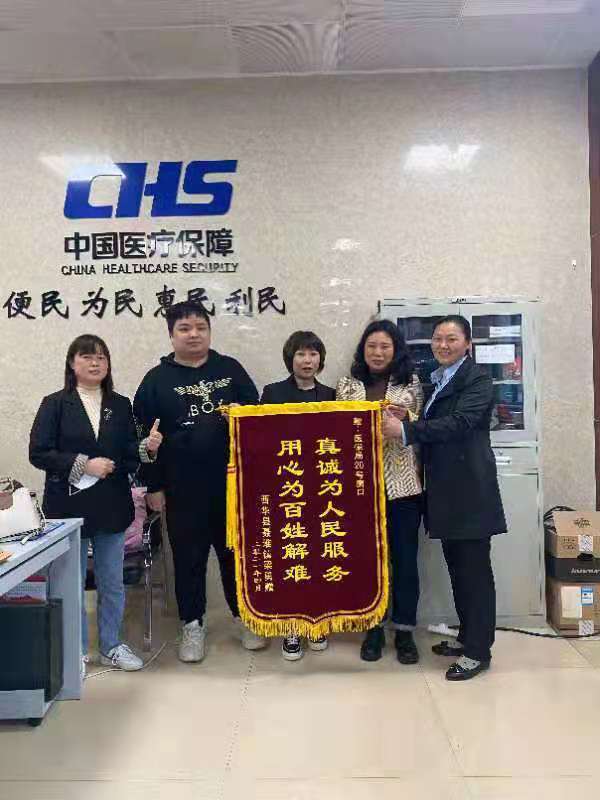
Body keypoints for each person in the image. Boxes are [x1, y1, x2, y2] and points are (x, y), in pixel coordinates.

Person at [133, 301, 267, 663]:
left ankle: (244, 617)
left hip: (231, 486)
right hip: (181, 489)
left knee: (235, 555)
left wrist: (243, 415)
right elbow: (143, 439)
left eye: (200, 327)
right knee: (188, 559)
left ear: (209, 331)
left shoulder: (230, 369)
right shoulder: (155, 380)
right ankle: (192, 624)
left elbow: (257, 419)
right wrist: (153, 487)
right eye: (184, 328)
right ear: (171, 335)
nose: (193, 334)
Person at [388, 315, 506, 681]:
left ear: (468, 344)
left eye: (451, 339)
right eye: (438, 338)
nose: (443, 345)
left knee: (474, 574)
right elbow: (438, 419)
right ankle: (468, 637)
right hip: (448, 493)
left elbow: (460, 423)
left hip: (469, 492)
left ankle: (478, 652)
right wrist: (408, 415)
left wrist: (405, 430)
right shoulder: (439, 378)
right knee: (459, 570)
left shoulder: (478, 379)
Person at [29, 334, 144, 673]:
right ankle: (75, 651)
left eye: (101, 357)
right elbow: (39, 453)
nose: (95, 363)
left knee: (112, 582)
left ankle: (111, 646)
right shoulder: (55, 403)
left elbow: (128, 455)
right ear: (72, 363)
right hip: (68, 508)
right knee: (71, 583)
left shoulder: (120, 404)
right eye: (87, 356)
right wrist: (83, 464)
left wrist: (145, 450)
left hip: (111, 504)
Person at [337, 319, 423, 665]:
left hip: (403, 486)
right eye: (371, 346)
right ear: (363, 350)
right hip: (360, 488)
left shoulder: (410, 383)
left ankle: (404, 631)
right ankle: (372, 628)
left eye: (385, 346)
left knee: (404, 560)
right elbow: (336, 429)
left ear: (395, 349)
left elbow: (423, 425)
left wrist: (405, 420)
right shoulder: (347, 384)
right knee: (367, 561)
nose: (377, 352)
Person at [261, 330, 335, 661]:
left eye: (313, 354)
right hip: (285, 489)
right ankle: (291, 626)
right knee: (290, 558)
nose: (307, 360)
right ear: (290, 359)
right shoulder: (272, 393)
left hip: (321, 490)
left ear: (320, 359)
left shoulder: (332, 395)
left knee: (319, 556)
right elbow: (259, 438)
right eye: (301, 354)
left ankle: (317, 622)